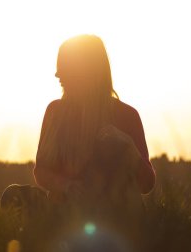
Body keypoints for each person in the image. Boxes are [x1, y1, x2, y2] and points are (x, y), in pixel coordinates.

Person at [34, 34, 156, 251]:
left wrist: (128, 146)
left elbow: (146, 185)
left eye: (64, 66)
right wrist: (67, 186)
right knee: (14, 195)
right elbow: (41, 171)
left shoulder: (127, 115)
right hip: (66, 211)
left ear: (86, 70)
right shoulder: (55, 112)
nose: (57, 74)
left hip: (114, 216)